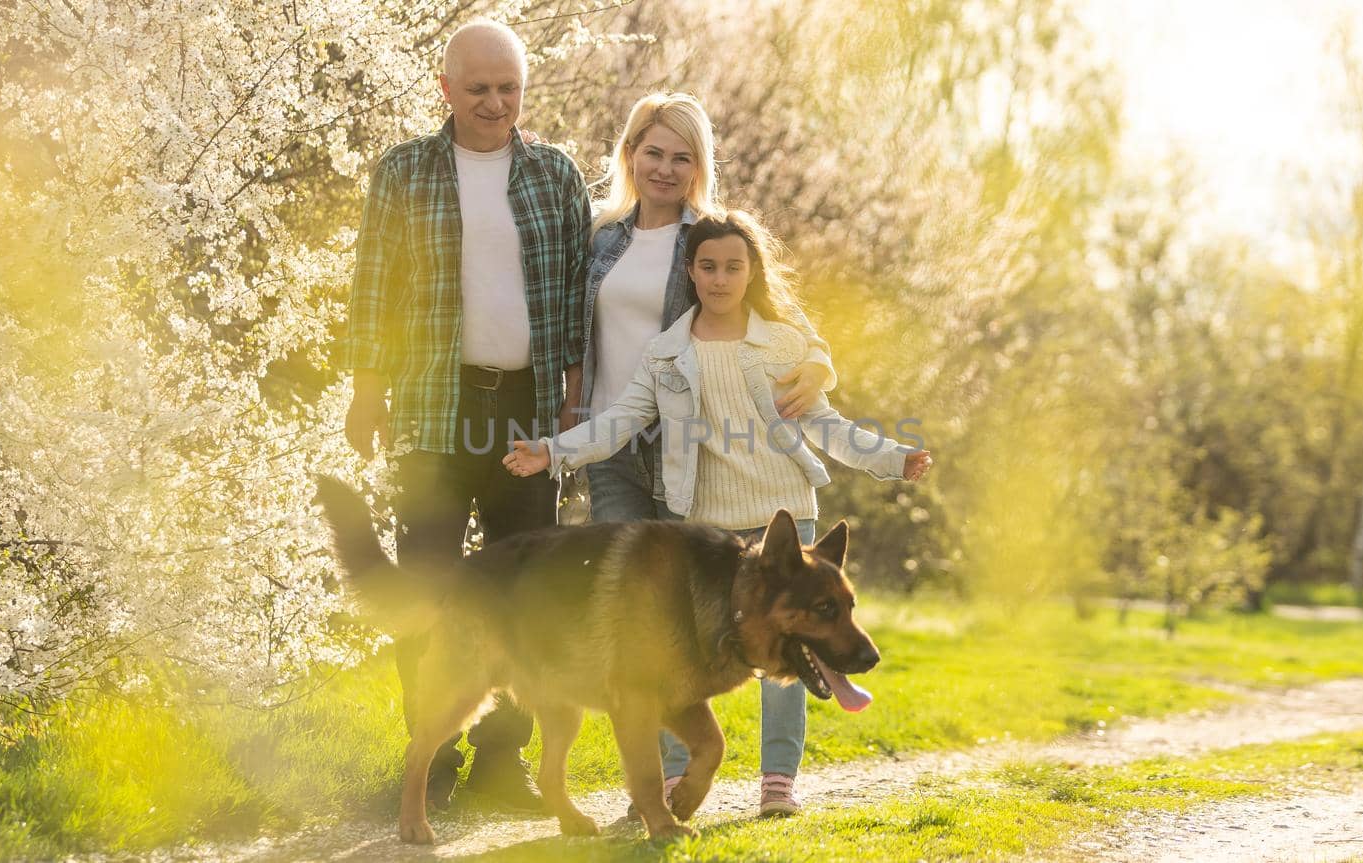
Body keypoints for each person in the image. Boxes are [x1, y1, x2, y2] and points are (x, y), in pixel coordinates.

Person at [504, 210, 933, 817]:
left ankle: (778, 781)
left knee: (795, 648)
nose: (721, 278)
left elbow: (829, 429)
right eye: (708, 266)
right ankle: (675, 782)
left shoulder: (782, 345)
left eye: (734, 266)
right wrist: (552, 451)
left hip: (785, 523)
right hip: (708, 534)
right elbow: (621, 421)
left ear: (751, 270)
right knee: (674, 657)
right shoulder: (667, 354)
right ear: (691, 271)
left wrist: (894, 458)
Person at [336, 18, 590, 813]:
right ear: (444, 88)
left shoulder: (554, 174)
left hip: (526, 409)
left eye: (507, 88)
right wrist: (367, 391)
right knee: (429, 585)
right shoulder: (406, 171)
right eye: (477, 88)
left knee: (525, 589)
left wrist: (573, 400)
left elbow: (577, 294)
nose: (494, 102)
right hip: (431, 405)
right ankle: (429, 759)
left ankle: (501, 763)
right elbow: (374, 284)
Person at [576, 92, 837, 523]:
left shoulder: (709, 239)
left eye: (682, 158)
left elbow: (790, 318)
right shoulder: (600, 235)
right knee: (620, 584)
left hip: (686, 444)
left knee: (680, 585)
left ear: (699, 167)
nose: (665, 169)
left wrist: (817, 366)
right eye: (654, 153)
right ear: (630, 155)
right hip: (611, 442)